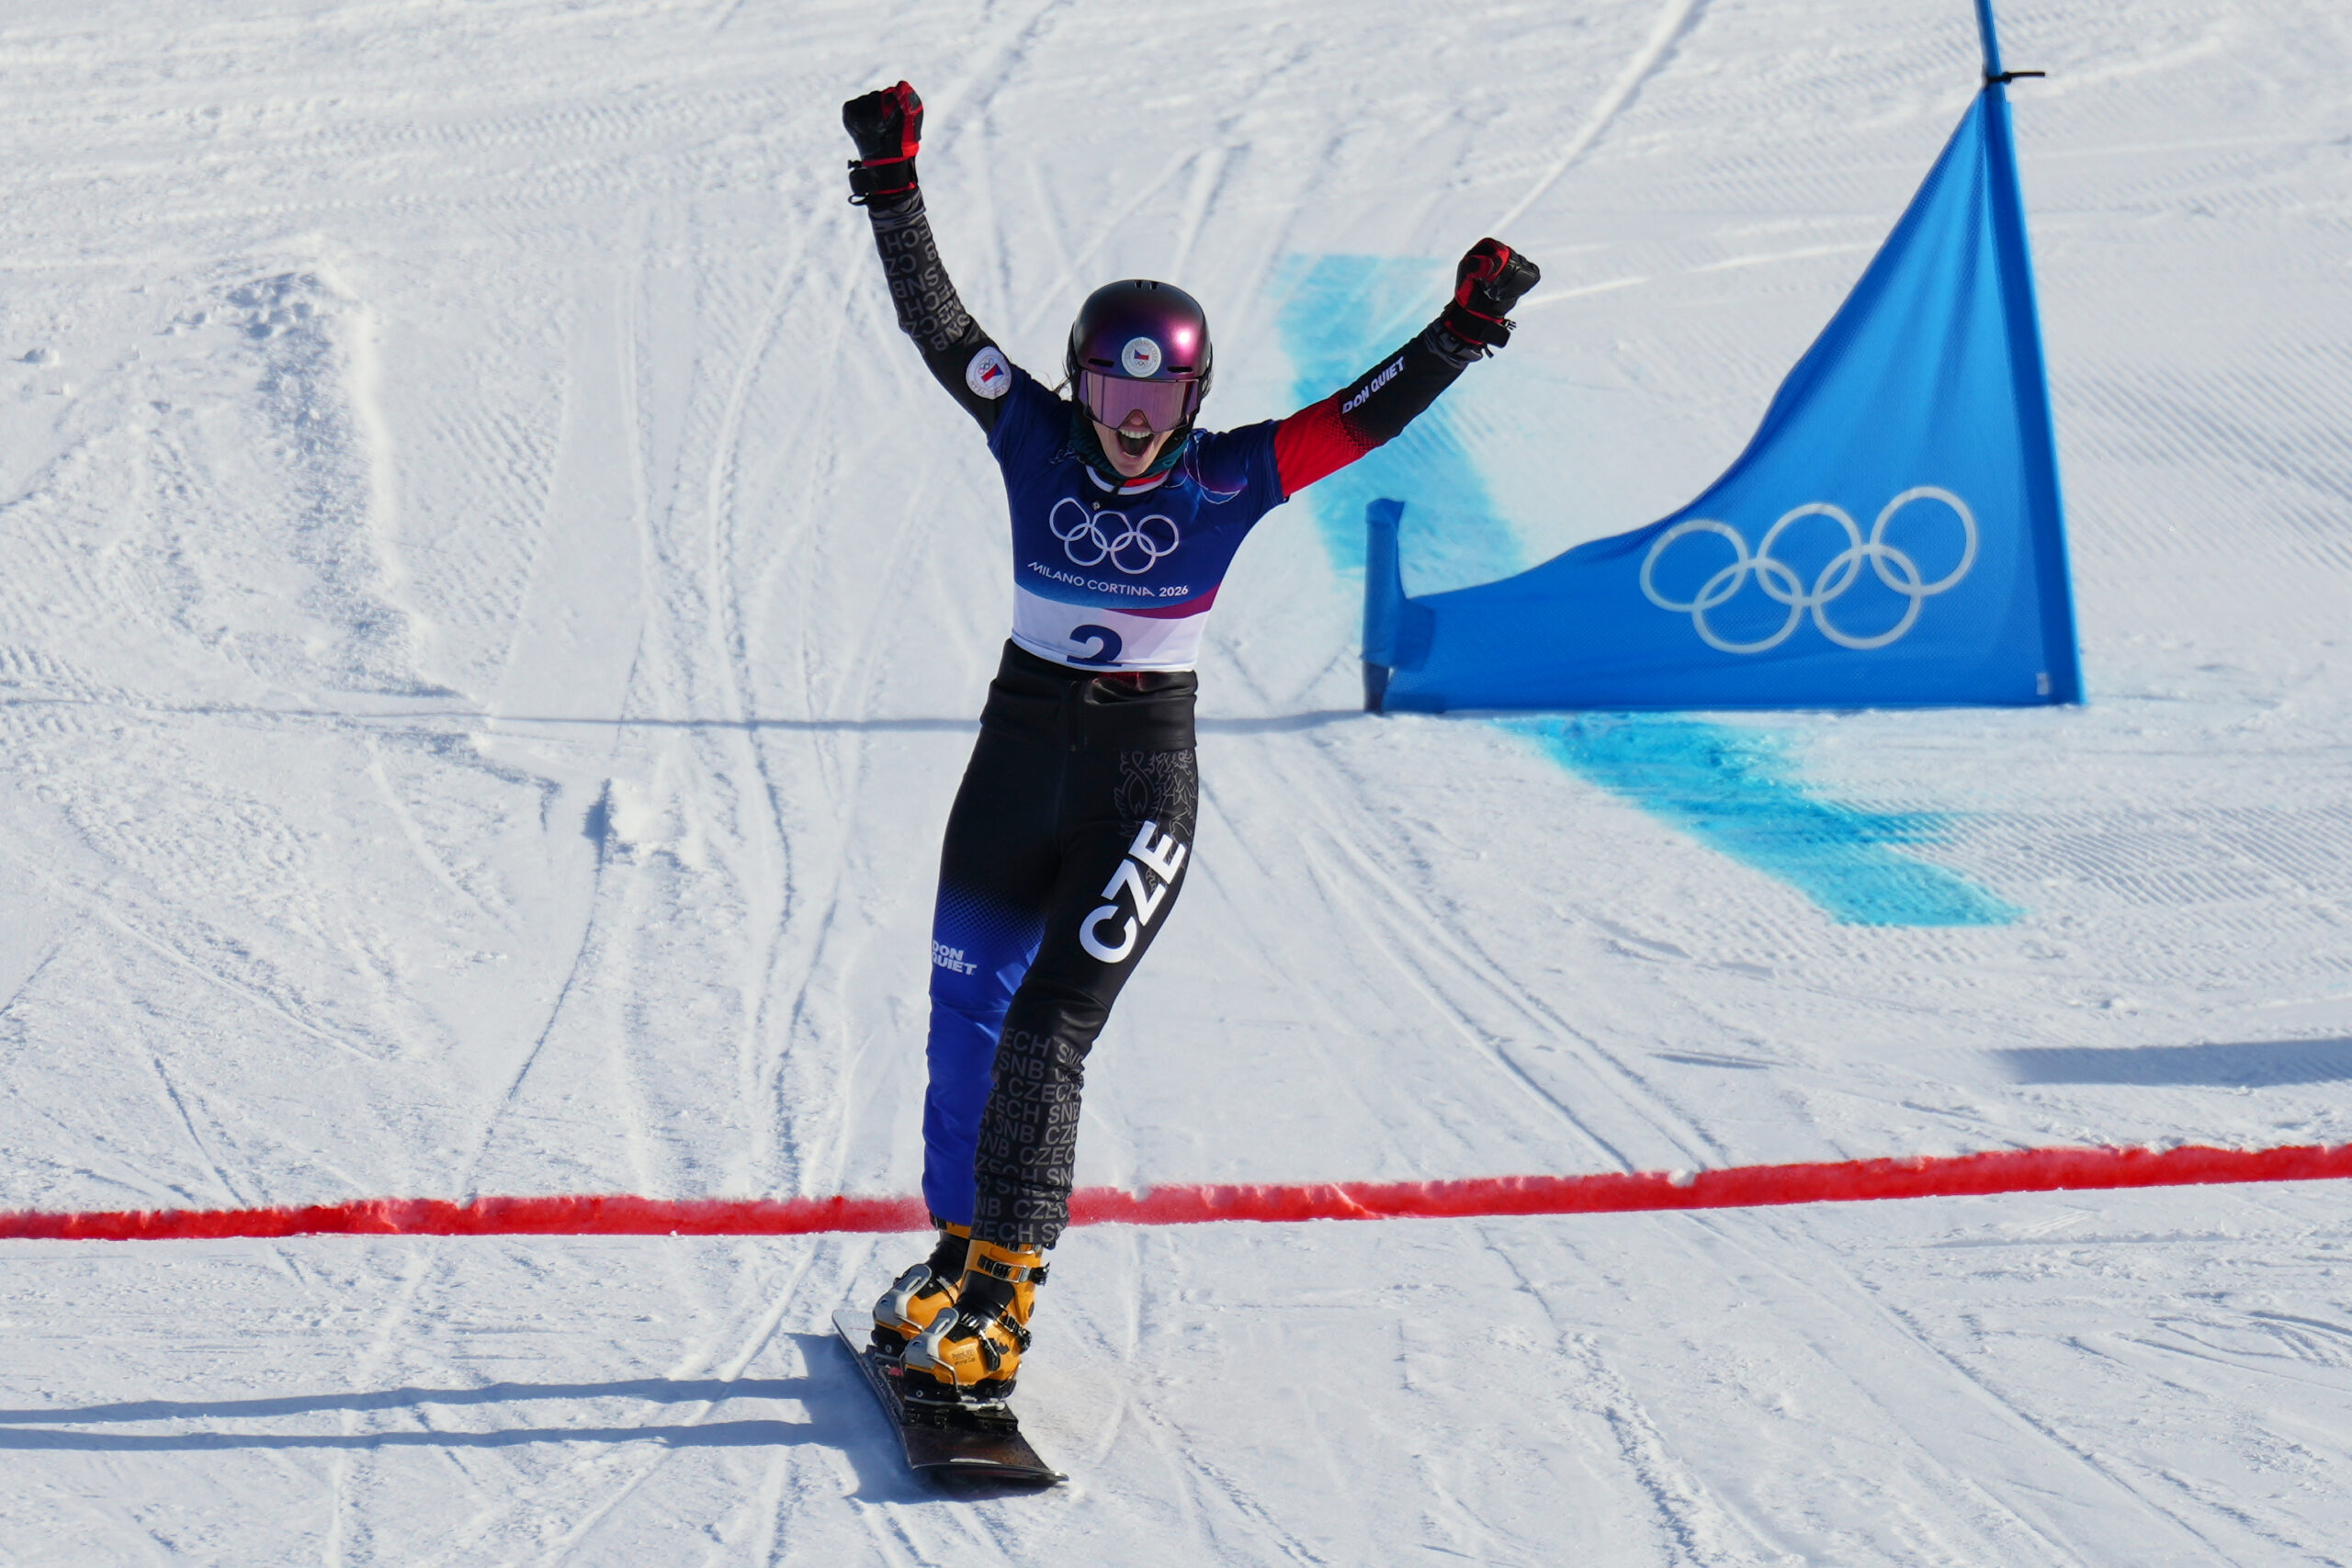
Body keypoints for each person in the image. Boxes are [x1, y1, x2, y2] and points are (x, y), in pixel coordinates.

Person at [841, 81, 1538, 1419]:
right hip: (1017, 751)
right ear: (1078, 383)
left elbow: (1362, 414)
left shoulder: (1231, 476)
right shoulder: (1030, 433)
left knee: (1047, 1029)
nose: (1133, 418)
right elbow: (940, 326)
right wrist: (892, 179)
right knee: (962, 1011)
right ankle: (957, 1256)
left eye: (1157, 392)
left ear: (1196, 393)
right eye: (1111, 386)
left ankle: (1006, 1302)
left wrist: (1464, 329)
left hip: (1139, 783)